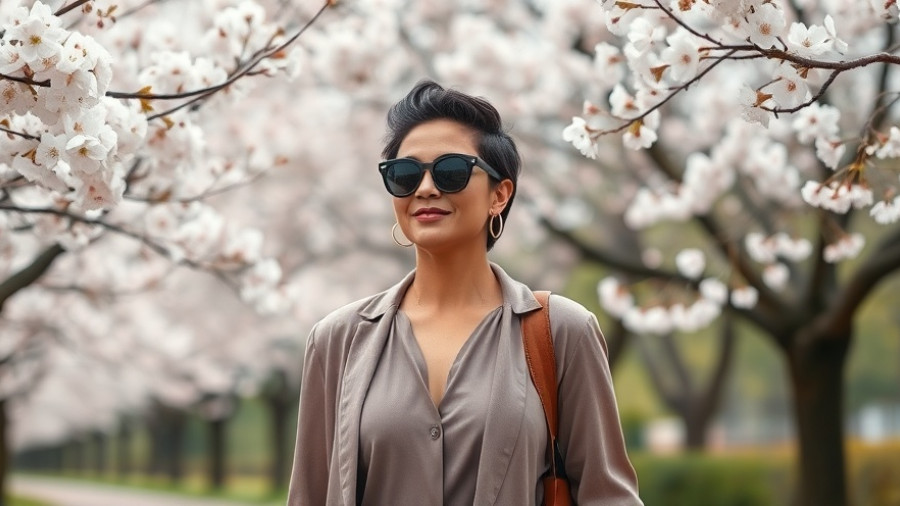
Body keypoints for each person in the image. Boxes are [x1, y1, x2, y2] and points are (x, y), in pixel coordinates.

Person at [287, 80, 642, 505]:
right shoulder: (336, 341)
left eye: (450, 171)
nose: (425, 188)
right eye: (404, 174)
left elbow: (609, 497)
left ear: (500, 194)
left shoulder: (561, 331)